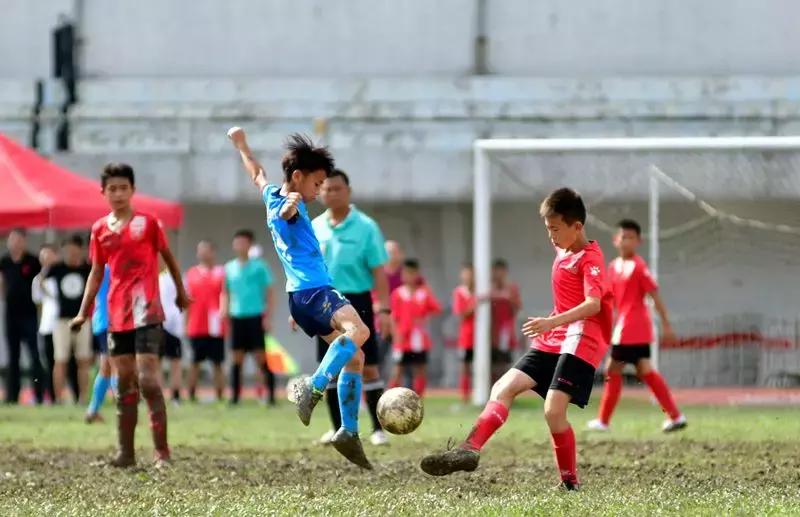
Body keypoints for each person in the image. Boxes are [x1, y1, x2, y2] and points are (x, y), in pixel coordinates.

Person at [420, 188, 613, 491]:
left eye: (555, 229)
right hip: (554, 338)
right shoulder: (563, 248)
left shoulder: (590, 259)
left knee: (553, 411)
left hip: (581, 337)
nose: (551, 236)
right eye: (547, 229)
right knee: (503, 387)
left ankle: (569, 482)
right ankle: (469, 449)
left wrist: (550, 321)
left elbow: (593, 304)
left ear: (577, 226)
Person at [227, 127, 373, 469]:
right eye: (316, 184)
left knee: (355, 358)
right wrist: (290, 205)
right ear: (298, 176)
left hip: (300, 298)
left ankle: (348, 432)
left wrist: (242, 146)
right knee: (360, 331)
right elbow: (286, 212)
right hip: (316, 290)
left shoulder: (269, 194)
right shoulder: (287, 203)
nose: (318, 191)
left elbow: (257, 174)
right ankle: (315, 386)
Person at [70, 162, 189, 468]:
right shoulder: (99, 230)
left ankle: (162, 452)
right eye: (113, 188)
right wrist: (83, 312)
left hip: (147, 310)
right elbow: (96, 272)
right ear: (103, 192)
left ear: (133, 190)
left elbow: (170, 261)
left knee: (148, 380)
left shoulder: (149, 224)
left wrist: (181, 292)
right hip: (117, 314)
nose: (119, 193)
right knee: (124, 383)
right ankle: (126, 454)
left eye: (124, 187)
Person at [311, 169, 392, 446]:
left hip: (358, 301)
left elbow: (379, 272)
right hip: (324, 303)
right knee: (331, 365)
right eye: (326, 189)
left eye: (337, 189)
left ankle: (377, 428)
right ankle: (338, 429)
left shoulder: (366, 226)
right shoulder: (315, 226)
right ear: (319, 192)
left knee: (368, 367)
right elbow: (307, 270)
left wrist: (384, 310)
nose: (331, 193)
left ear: (348, 191)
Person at [587, 219, 687, 433]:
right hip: (627, 328)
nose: (626, 241)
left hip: (633, 328)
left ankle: (603, 421)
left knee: (612, 369)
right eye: (623, 237)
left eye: (631, 237)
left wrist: (667, 325)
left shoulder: (639, 267)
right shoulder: (613, 267)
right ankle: (676, 416)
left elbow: (655, 296)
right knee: (645, 371)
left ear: (638, 241)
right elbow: (610, 301)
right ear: (616, 240)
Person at [222, 229, 275, 405]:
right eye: (237, 242)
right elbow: (225, 292)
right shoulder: (229, 267)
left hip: (255, 316)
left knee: (260, 356)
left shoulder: (260, 266)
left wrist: (267, 316)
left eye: (244, 242)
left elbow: (269, 292)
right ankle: (235, 397)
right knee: (236, 357)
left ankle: (271, 396)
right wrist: (224, 309)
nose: (240, 246)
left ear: (250, 245)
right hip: (237, 316)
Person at [0, 228, 45, 405]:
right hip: (11, 315)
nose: (15, 243)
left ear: (24, 242)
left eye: (19, 240)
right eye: (13, 240)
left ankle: (40, 395)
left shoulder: (33, 261)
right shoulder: (4, 261)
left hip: (29, 314)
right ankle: (12, 396)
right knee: (13, 355)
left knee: (34, 354)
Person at [47, 235, 93, 403]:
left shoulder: (87, 269)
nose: (71, 254)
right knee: (60, 360)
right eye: (67, 250)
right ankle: (59, 398)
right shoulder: (56, 268)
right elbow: (40, 282)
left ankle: (83, 398)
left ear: (81, 250)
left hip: (82, 319)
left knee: (83, 360)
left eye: (74, 250)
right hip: (61, 320)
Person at [389, 259, 442, 397]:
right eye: (406, 273)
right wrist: (396, 336)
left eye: (412, 273)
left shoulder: (423, 293)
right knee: (398, 369)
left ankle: (418, 398)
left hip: (418, 338)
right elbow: (393, 317)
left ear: (417, 274)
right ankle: (391, 397)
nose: (408, 276)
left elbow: (436, 308)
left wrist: (424, 317)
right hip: (402, 338)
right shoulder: (398, 293)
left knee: (420, 368)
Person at [185, 240, 226, 402]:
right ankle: (190, 395)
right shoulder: (191, 273)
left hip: (216, 326)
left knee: (217, 363)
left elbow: (225, 295)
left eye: (206, 250)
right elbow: (186, 300)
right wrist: (185, 323)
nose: (202, 253)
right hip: (196, 325)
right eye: (200, 250)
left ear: (213, 252)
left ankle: (220, 395)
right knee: (195, 362)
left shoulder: (221, 272)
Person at [85, 265, 115, 423]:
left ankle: (93, 409)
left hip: (103, 321)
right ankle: (123, 410)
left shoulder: (102, 266)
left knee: (107, 366)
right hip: (111, 321)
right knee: (115, 364)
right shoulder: (110, 267)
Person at [32, 243, 61, 403]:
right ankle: (53, 397)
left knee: (65, 362)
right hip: (47, 325)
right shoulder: (38, 280)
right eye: (44, 256)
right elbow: (39, 305)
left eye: (50, 255)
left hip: (63, 323)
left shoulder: (61, 275)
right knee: (49, 363)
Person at [490, 259, 522, 381]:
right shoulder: (488, 287)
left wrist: (508, 298)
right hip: (490, 332)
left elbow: (517, 307)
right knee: (491, 362)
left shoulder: (511, 288)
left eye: (501, 271)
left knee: (503, 361)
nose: (498, 274)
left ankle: (503, 390)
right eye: (496, 271)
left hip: (504, 332)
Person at [452, 263, 477, 403]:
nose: (468, 277)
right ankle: (465, 397)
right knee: (465, 366)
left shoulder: (481, 291)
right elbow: (461, 314)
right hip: (466, 337)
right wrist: (474, 305)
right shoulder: (459, 292)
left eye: (471, 274)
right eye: (466, 274)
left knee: (484, 366)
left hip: (481, 338)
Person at [160, 261, 184, 404]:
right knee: (157, 362)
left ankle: (175, 396)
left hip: (173, 327)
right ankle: (159, 395)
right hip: (156, 323)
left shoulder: (174, 277)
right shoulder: (152, 277)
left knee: (175, 362)